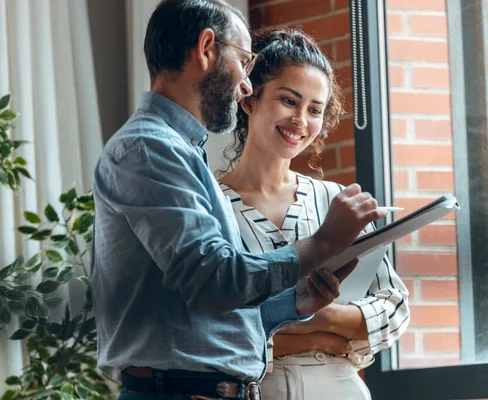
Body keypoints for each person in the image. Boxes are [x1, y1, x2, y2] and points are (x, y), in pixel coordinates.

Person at [91, 1, 386, 399]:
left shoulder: (180, 152)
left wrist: (296, 303)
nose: (247, 84)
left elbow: (202, 315)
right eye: (244, 62)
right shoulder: (149, 148)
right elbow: (212, 281)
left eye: (314, 108)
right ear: (206, 48)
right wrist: (322, 244)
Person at [218, 28, 411, 400]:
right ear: (248, 98)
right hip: (253, 389)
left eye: (315, 109)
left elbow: (395, 308)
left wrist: (323, 320)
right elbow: (215, 328)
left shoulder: (335, 200)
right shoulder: (209, 203)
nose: (300, 120)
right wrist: (328, 336)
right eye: (289, 101)